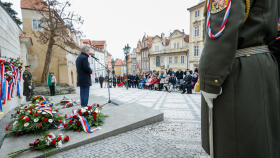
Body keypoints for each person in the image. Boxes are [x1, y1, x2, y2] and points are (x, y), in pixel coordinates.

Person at [199, 0, 280, 157]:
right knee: (264, 140)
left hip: (238, 69)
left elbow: (221, 28)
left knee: (234, 144)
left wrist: (209, 79)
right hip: (265, 63)